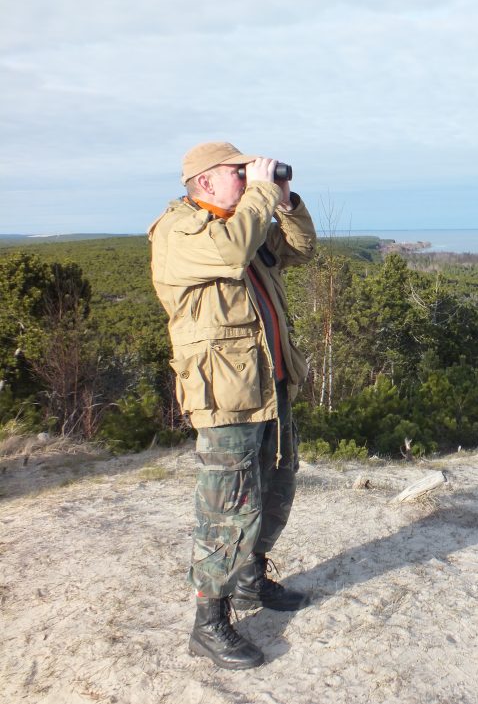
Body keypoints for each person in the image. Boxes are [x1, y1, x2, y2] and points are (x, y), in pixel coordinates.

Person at [149, 142, 317, 669]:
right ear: (203, 181)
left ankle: (250, 579)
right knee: (227, 507)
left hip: (269, 383)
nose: (247, 180)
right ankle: (209, 621)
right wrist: (261, 193)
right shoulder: (181, 231)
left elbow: (301, 250)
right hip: (225, 395)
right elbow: (228, 252)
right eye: (236, 173)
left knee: (277, 486)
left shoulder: (242, 223)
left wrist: (286, 203)